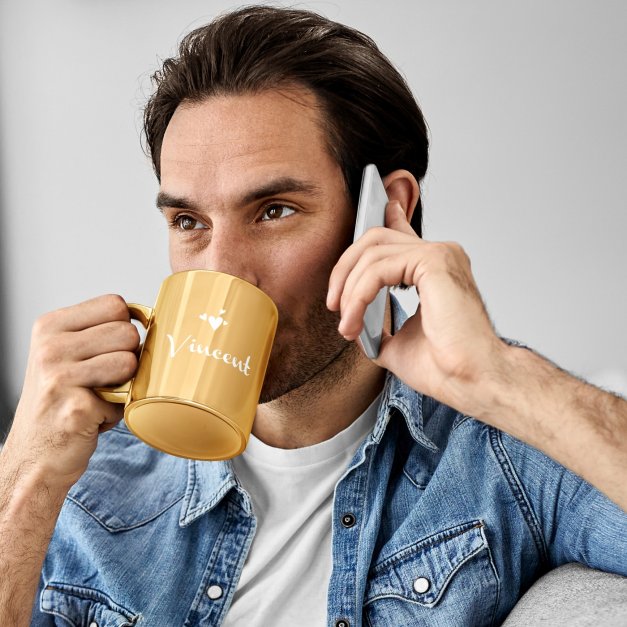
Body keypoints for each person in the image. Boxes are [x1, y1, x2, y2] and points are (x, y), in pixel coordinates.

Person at [0, 5, 625, 626]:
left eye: (274, 210)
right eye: (189, 222)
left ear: (382, 215)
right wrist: (24, 475)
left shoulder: (499, 448)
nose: (223, 271)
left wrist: (498, 377)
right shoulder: (83, 476)